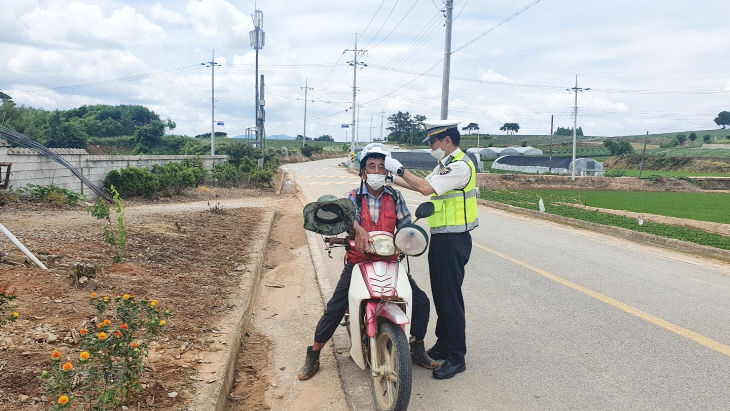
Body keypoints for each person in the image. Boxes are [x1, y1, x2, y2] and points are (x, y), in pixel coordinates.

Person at [298, 143, 439, 380]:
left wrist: (409, 236)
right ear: (363, 172)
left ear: (387, 173)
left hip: (390, 260)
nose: (376, 171)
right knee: (335, 307)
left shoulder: (395, 196)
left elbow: (404, 223)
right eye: (371, 166)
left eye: (381, 167)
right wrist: (357, 229)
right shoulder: (352, 197)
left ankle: (416, 347)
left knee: (422, 301)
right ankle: (313, 353)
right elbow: (344, 216)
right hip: (359, 261)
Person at [383, 120, 479, 380]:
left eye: (433, 142)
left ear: (446, 140)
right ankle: (444, 344)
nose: (431, 147)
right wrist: (391, 178)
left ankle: (457, 357)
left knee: (450, 299)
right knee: (441, 295)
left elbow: (425, 189)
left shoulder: (459, 166)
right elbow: (420, 184)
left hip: (454, 240)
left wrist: (400, 168)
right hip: (442, 238)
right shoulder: (445, 164)